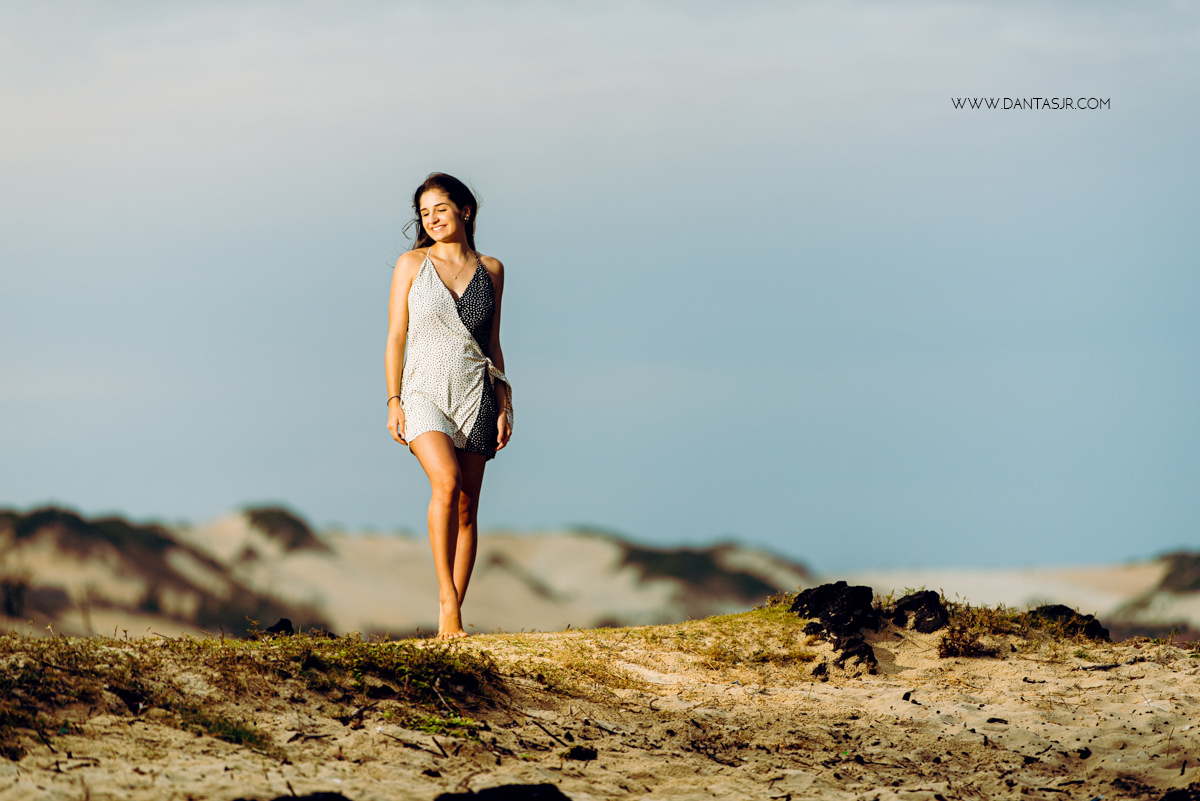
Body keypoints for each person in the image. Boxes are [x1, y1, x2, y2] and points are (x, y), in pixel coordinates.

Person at [384, 173, 513, 640]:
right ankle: (447, 602)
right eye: (424, 213)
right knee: (447, 480)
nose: (432, 218)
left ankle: (450, 619)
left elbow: (492, 344)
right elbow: (396, 336)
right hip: (421, 392)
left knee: (467, 507)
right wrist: (394, 399)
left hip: (475, 392)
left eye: (440, 208)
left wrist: (504, 401)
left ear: (465, 210)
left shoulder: (493, 270)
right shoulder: (411, 264)